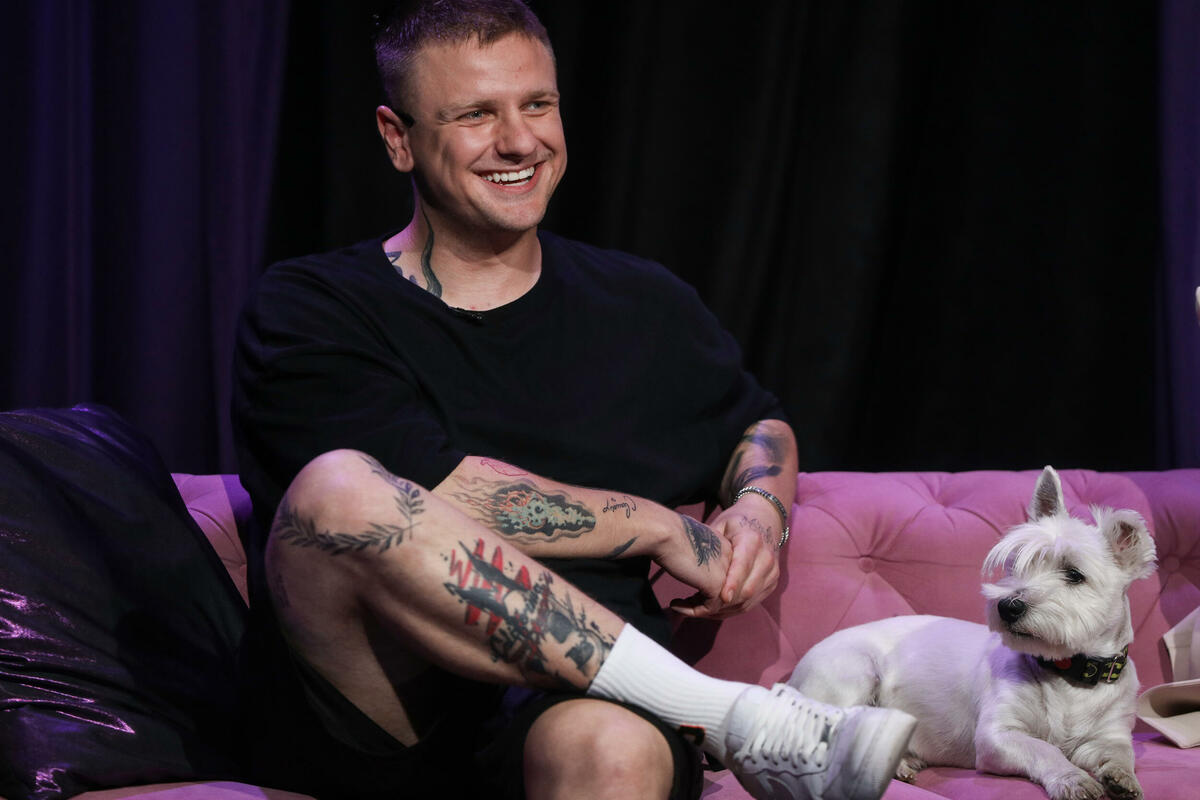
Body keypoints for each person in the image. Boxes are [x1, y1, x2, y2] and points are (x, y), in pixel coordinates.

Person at [231, 1, 915, 798]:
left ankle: (706, 714)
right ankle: (727, 716)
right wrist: (657, 525)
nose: (519, 141)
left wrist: (762, 508)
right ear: (398, 137)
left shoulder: (643, 304)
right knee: (338, 491)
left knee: (610, 749)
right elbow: (438, 494)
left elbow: (755, 424)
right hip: (386, 714)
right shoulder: (311, 306)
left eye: (538, 104)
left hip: (585, 702)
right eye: (476, 114)